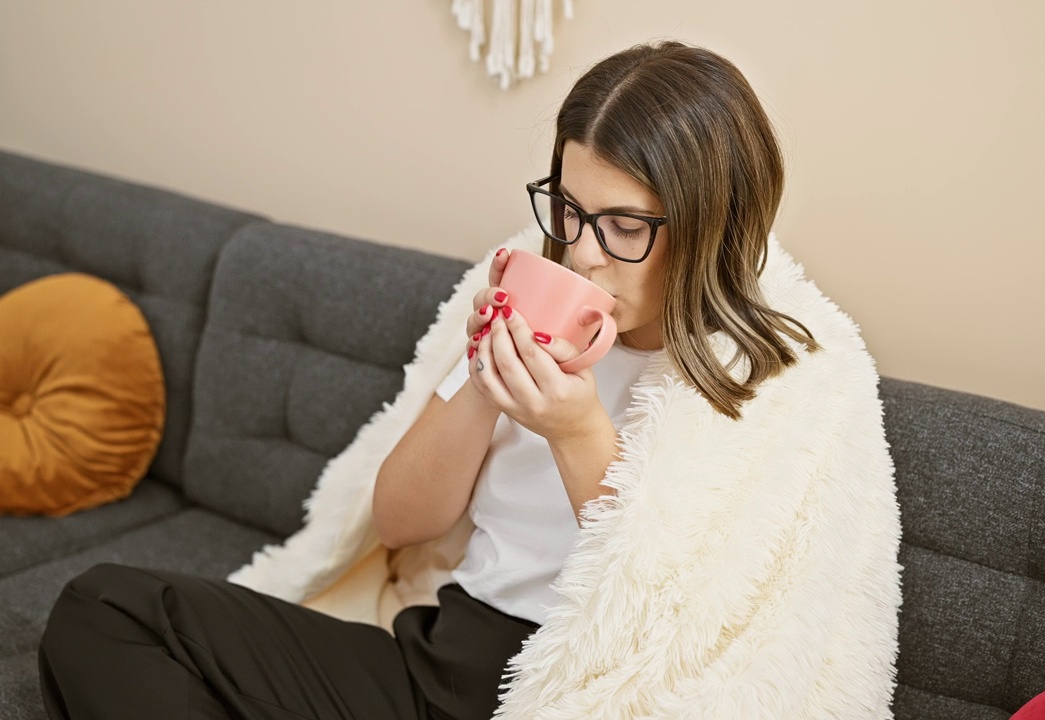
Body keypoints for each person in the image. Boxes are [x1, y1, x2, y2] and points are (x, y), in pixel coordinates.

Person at [39, 41, 901, 720]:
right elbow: (402, 519)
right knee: (106, 609)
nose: (585, 250)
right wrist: (483, 379)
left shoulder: (770, 376)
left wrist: (575, 432)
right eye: (567, 210)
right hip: (444, 661)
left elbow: (680, 624)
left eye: (625, 225)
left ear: (712, 223)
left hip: (576, 694)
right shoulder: (528, 288)